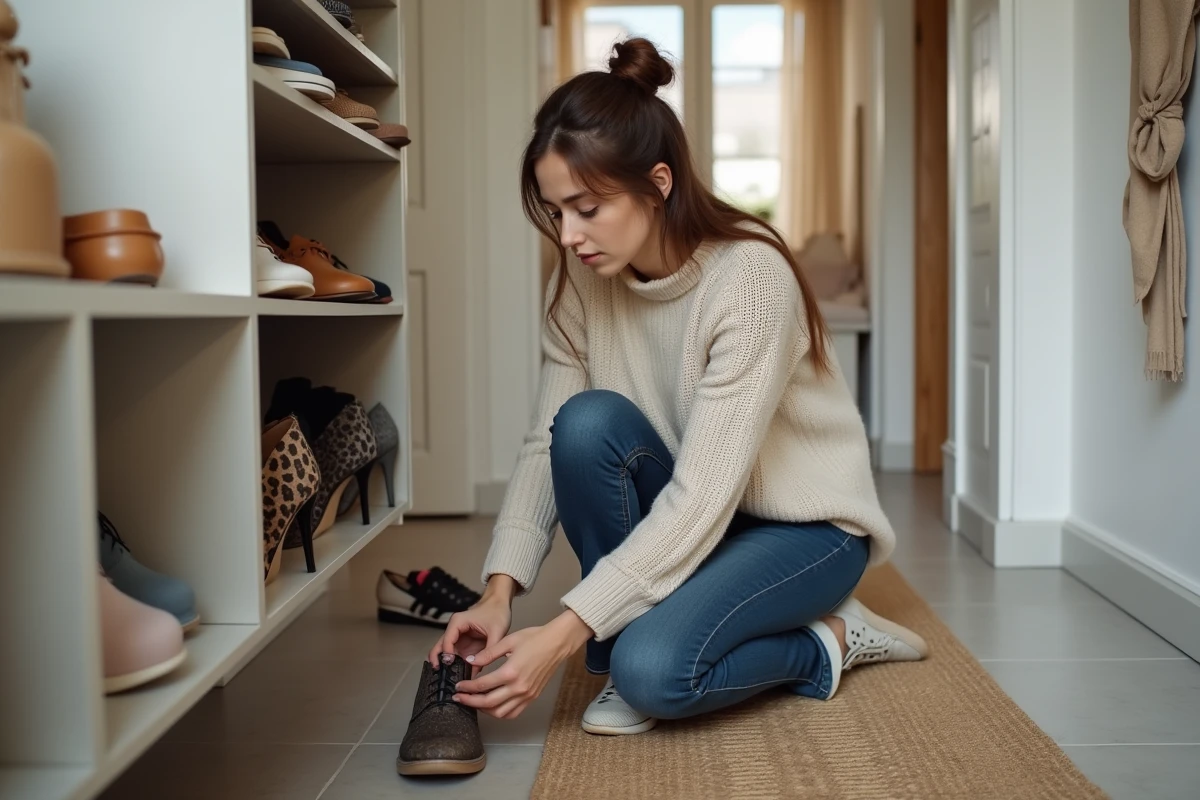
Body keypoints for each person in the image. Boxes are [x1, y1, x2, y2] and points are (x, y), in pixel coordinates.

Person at [428, 37, 928, 736]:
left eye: (587, 207)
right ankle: (627, 631)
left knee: (654, 673)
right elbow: (548, 447)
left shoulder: (750, 279)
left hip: (804, 530)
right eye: (556, 211)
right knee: (582, 424)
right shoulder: (584, 275)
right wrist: (499, 593)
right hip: (703, 514)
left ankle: (832, 638)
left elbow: (704, 495)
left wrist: (566, 628)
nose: (569, 235)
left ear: (658, 184)